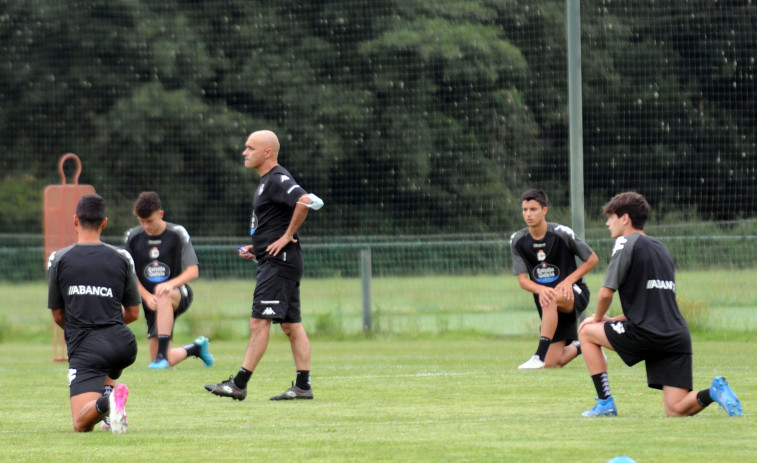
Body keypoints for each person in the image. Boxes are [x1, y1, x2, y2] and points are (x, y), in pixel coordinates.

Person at [578, 191, 742, 417]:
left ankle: (605, 402)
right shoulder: (662, 250)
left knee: (586, 331)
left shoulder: (624, 242)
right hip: (676, 335)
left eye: (611, 217)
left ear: (625, 218)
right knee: (675, 409)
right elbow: (654, 300)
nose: (607, 223)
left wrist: (596, 319)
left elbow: (606, 293)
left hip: (647, 333)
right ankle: (714, 392)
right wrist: (615, 319)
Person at [205, 129, 323, 401]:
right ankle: (303, 386)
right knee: (291, 325)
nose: (245, 152)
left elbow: (305, 201)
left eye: (250, 147)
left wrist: (286, 236)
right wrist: (256, 247)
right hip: (279, 260)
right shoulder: (267, 182)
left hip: (279, 263)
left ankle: (239, 383)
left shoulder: (277, 178)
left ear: (268, 152)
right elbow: (275, 219)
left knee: (259, 322)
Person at [47, 194, 140, 433]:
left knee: (81, 423)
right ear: (104, 223)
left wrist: (81, 333)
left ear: (75, 221)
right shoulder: (122, 258)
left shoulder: (59, 259)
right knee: (109, 357)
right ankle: (111, 405)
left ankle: (106, 403)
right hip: (123, 344)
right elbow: (133, 312)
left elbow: (58, 315)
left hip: (87, 347)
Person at [510, 188, 599, 369]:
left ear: (545, 210)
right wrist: (542, 289)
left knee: (550, 298)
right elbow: (522, 280)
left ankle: (538, 356)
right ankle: (586, 344)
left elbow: (592, 259)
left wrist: (567, 281)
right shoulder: (517, 240)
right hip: (548, 302)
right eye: (525, 210)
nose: (528, 214)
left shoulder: (561, 233)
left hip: (574, 294)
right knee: (553, 363)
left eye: (533, 209)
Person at [124, 191, 214, 369]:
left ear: (160, 214)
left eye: (149, 221)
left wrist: (170, 284)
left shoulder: (177, 233)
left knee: (164, 294)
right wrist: (146, 297)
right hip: (151, 301)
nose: (146, 226)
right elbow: (130, 275)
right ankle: (196, 349)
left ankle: (160, 357)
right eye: (141, 222)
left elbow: (193, 271)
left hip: (178, 294)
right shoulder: (133, 237)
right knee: (163, 359)